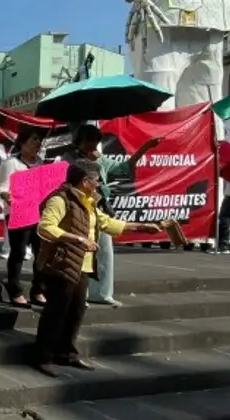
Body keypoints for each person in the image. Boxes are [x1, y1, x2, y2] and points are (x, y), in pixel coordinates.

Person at [33, 160, 160, 377]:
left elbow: (106, 223)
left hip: (81, 265)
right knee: (56, 312)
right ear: (85, 181)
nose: (99, 183)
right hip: (62, 263)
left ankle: (67, 354)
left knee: (76, 311)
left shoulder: (89, 202)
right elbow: (45, 227)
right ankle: (42, 357)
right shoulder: (60, 199)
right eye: (96, 179)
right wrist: (78, 239)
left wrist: (141, 227)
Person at [65, 124, 160, 305]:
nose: (91, 147)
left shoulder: (100, 160)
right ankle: (79, 295)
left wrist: (146, 147)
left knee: (105, 252)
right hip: (78, 210)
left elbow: (126, 167)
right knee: (82, 252)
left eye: (94, 143)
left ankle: (102, 294)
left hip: (100, 210)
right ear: (79, 142)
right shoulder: (69, 159)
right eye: (88, 143)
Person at [0, 127, 45, 308]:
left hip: (38, 213)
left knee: (41, 253)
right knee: (18, 252)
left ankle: (38, 289)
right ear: (22, 143)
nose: (37, 144)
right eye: (33, 140)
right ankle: (15, 290)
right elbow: (2, 188)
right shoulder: (11, 163)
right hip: (19, 213)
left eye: (39, 140)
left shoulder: (40, 162)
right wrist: (8, 196)